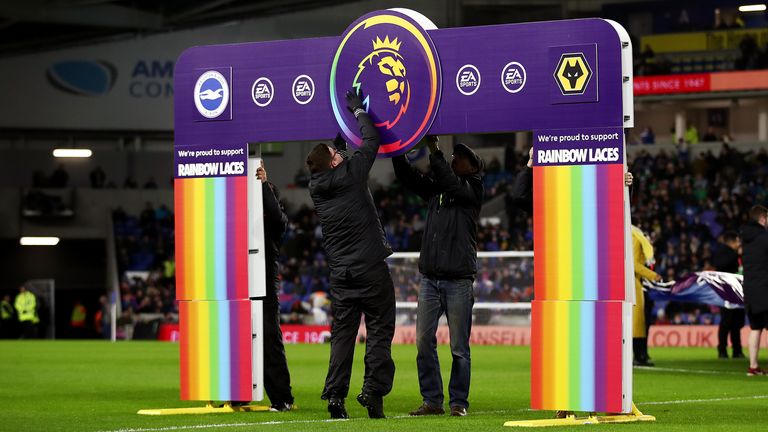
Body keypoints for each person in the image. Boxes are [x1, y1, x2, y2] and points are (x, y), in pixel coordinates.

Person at [306, 89, 395, 419]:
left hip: (342, 275)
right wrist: (358, 112)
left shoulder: (317, 186)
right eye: (336, 153)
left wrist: (338, 132)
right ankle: (372, 391)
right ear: (333, 161)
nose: (341, 154)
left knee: (342, 337)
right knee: (380, 330)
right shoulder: (352, 172)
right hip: (371, 269)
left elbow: (337, 154)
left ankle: (335, 398)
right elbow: (371, 141)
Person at [392, 137, 484, 417]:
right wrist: (397, 152)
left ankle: (458, 402)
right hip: (430, 280)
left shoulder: (472, 189)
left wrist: (434, 151)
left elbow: (449, 180)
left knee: (459, 347)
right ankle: (432, 401)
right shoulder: (438, 192)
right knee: (423, 342)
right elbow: (408, 177)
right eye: (453, 155)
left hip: (458, 280)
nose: (454, 158)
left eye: (460, 157)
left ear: (472, 168)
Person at [255, 160, 295, 411]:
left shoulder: (275, 220)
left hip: (265, 279)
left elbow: (278, 217)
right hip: (240, 279)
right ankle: (237, 393)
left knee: (269, 336)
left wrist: (262, 185)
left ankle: (282, 397)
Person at [740, 205, 768, 376]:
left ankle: (753, 366)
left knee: (755, 328)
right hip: (765, 289)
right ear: (763, 219)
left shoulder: (746, 240)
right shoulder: (765, 237)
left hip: (750, 289)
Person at [712, 231, 745, 359]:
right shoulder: (723, 252)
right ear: (731, 242)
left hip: (737, 291)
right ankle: (722, 350)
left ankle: (737, 350)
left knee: (736, 322)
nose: (739, 244)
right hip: (726, 291)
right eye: (737, 241)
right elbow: (720, 265)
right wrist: (736, 254)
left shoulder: (737, 254)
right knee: (726, 321)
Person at [631, 225, 661, 366]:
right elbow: (634, 264)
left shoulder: (633, 237)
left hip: (637, 284)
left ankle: (641, 354)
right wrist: (653, 275)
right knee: (637, 324)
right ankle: (639, 356)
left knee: (639, 323)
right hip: (634, 285)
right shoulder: (636, 238)